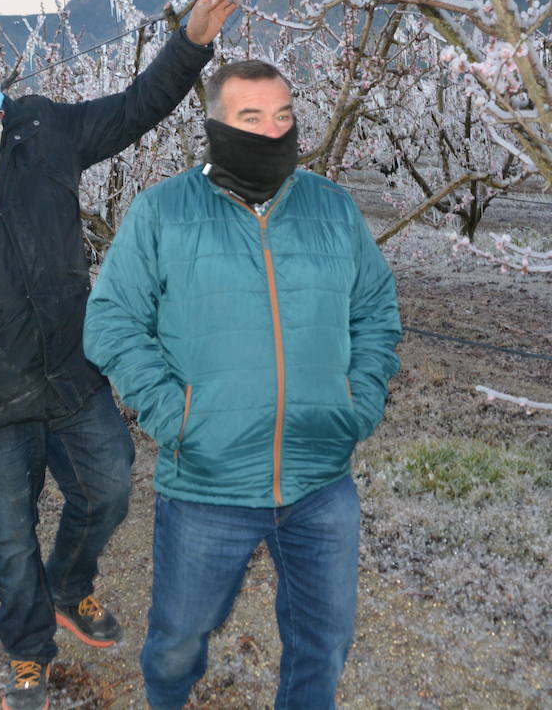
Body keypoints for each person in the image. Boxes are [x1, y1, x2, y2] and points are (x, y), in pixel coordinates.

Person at [0, 0, 241, 710]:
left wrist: (190, 43)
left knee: (112, 488)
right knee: (8, 530)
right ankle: (28, 650)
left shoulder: (43, 127)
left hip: (71, 366)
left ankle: (70, 582)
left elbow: (133, 107)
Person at [83, 59, 402, 710]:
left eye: (283, 116)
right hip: (208, 484)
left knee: (325, 641)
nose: (272, 131)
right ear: (215, 126)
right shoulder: (163, 213)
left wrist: (358, 400)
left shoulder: (332, 209)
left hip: (320, 482)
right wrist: (177, 417)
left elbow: (376, 311)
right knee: (178, 641)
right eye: (251, 118)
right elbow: (111, 320)